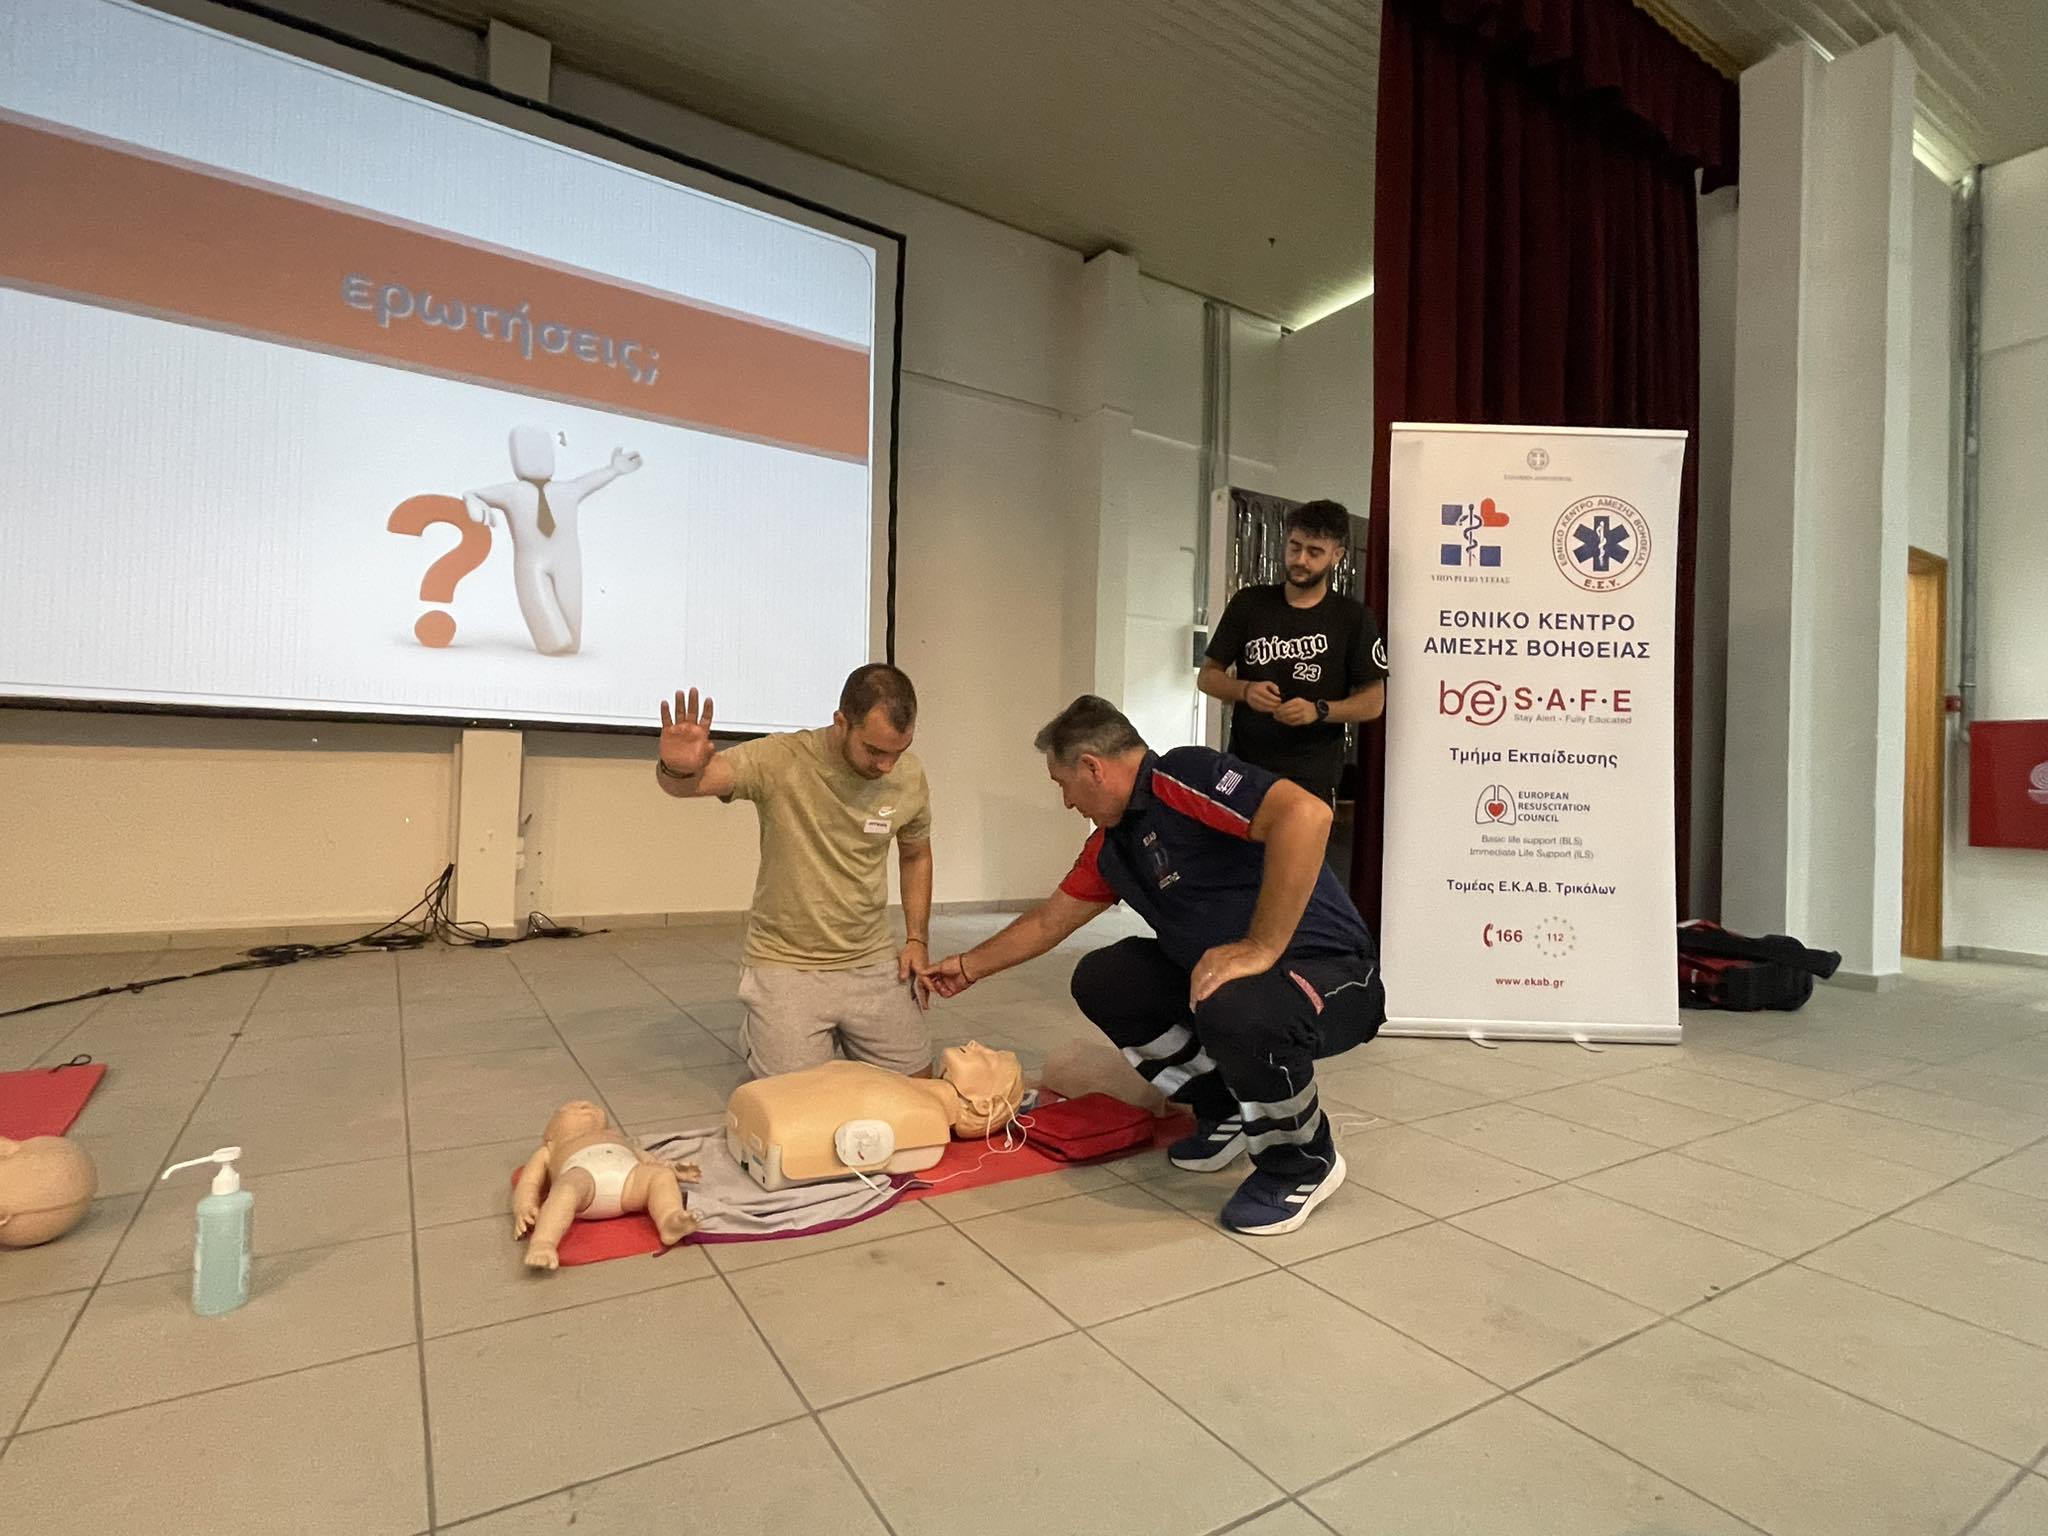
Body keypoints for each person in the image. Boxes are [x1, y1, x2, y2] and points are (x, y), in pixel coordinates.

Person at [928, 696, 1384, 1236]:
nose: (1067, 801)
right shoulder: (1112, 847)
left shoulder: (1182, 776)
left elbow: (1307, 815)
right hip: (1240, 990)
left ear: (1092, 767)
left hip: (1334, 975)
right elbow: (1049, 922)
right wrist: (966, 966)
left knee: (1234, 1002)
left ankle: (1302, 1164)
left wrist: (1259, 946)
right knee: (1107, 978)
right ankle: (1226, 1110)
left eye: (1063, 785)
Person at [654, 663, 935, 1079]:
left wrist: (916, 939)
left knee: (920, 1091)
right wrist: (678, 767)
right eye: (875, 751)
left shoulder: (908, 775)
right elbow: (690, 784)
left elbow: (915, 856)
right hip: (786, 962)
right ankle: (765, 1025)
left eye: (899, 750)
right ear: (841, 722)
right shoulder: (781, 758)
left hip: (871, 957)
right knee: (797, 1104)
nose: (887, 766)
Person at [1198, 498, 1387, 803]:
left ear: (1337, 555)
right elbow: (1207, 677)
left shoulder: (1353, 618)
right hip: (1245, 768)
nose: (1301, 560)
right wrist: (1245, 690)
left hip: (1311, 776)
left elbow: (1373, 702)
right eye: (1294, 547)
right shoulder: (1249, 603)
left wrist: (1319, 710)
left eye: (1314, 552)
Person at [464, 425, 641, 656]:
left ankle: (564, 647)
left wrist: (613, 470)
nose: (537, 459)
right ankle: (552, 645)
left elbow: (588, 482)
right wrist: (474, 501)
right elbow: (474, 492)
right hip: (531, 564)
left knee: (572, 639)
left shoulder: (566, 490)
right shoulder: (514, 492)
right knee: (552, 639)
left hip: (567, 561)